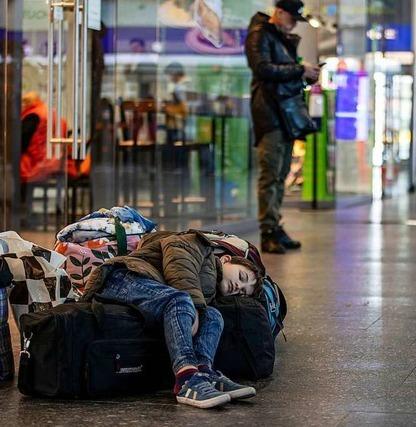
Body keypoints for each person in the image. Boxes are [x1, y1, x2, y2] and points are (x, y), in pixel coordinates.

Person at [82, 230, 263, 409]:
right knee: (180, 301)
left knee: (214, 316)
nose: (238, 286)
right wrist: (195, 307)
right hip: (122, 277)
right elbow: (178, 260)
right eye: (242, 277)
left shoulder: (210, 289)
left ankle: (204, 373)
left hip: (150, 289)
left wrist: (199, 309)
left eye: (242, 291)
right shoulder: (200, 244)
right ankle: (186, 380)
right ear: (226, 260)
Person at [245, 0, 320, 254]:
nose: (292, 25)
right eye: (290, 19)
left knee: (280, 174)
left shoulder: (277, 36)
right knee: (271, 174)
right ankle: (268, 231)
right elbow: (263, 69)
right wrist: (300, 70)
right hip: (270, 114)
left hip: (283, 114)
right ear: (278, 13)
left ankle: (275, 225)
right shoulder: (260, 35)